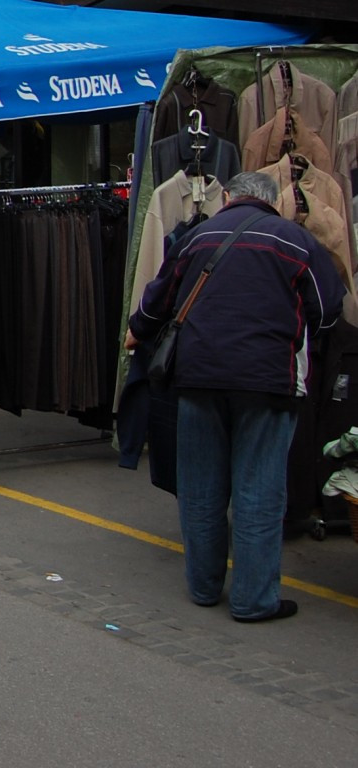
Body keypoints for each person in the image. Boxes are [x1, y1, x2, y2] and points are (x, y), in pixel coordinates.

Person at [128, 170, 344, 623]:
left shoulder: (197, 237)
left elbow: (155, 302)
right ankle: (254, 600)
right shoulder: (295, 240)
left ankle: (204, 587)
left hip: (199, 376)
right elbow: (327, 310)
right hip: (268, 382)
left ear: (227, 197)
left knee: (201, 489)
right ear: (273, 202)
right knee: (259, 490)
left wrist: (139, 332)